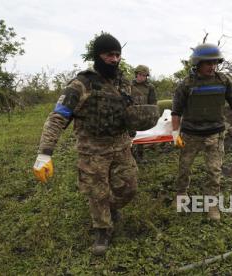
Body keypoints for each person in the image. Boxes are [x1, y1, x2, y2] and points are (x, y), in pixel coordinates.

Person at [32, 34, 141, 256]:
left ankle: (110, 209)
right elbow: (58, 117)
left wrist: (134, 126)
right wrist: (45, 153)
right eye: (109, 54)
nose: (114, 59)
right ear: (98, 56)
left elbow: (129, 110)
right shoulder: (81, 84)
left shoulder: (124, 82)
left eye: (117, 54)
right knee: (97, 192)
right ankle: (102, 229)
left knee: (129, 187)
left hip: (120, 145)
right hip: (92, 149)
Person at [171, 43, 232, 221]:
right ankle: (181, 194)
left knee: (214, 170)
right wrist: (176, 133)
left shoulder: (224, 81)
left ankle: (212, 204)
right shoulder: (187, 84)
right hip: (190, 134)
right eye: (208, 63)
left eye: (215, 63)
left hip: (215, 133)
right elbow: (176, 111)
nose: (212, 66)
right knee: (184, 168)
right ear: (197, 63)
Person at [130, 65, 157, 162]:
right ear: (136, 74)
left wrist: (152, 115)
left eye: (144, 75)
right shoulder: (129, 85)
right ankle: (130, 156)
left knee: (141, 135)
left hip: (144, 114)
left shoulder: (150, 87)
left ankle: (140, 156)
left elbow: (153, 102)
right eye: (140, 75)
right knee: (130, 135)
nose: (142, 77)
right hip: (132, 114)